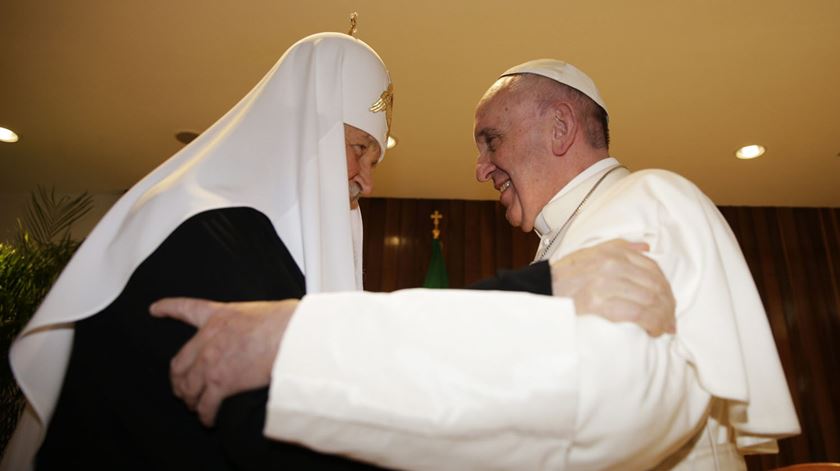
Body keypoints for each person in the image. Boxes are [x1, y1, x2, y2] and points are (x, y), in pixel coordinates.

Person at [2, 32, 674, 471]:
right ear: (299, 132)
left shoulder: (242, 238)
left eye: (373, 158)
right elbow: (298, 429)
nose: (366, 180)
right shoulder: (206, 234)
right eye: (357, 149)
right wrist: (544, 293)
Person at [151, 59, 801, 470]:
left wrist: (298, 346)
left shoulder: (646, 199)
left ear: (559, 129)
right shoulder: (564, 238)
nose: (480, 168)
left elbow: (608, 396)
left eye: (490, 140)